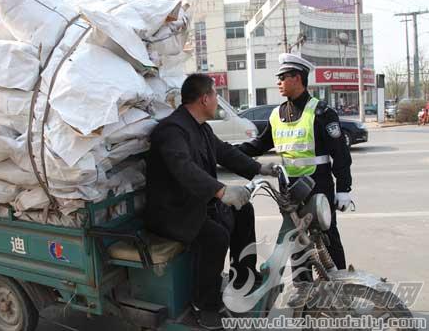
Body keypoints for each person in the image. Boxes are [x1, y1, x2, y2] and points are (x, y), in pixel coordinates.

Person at [144, 73, 277, 330]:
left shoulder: (201, 128)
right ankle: (204, 305)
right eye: (216, 95)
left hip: (194, 203)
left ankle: (243, 278)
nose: (218, 100)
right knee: (216, 237)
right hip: (171, 212)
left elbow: (225, 152)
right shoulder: (172, 131)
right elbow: (183, 169)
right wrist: (220, 191)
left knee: (243, 209)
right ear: (204, 98)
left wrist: (260, 169)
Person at [237, 53, 353, 307]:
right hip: (289, 190)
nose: (278, 82)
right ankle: (305, 292)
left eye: (282, 78)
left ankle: (339, 290)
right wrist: (227, 151)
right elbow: (259, 144)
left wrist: (344, 189)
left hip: (318, 185)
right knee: (296, 239)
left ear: (297, 78)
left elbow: (340, 155)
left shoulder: (322, 112)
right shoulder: (277, 114)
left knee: (327, 235)